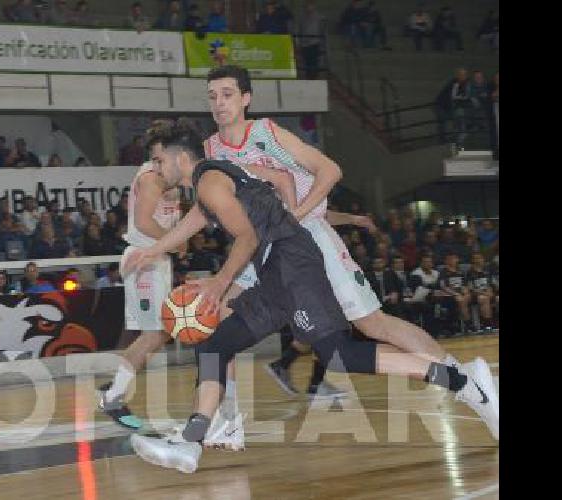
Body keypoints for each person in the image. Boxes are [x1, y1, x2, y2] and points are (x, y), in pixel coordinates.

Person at [123, 119, 498, 474]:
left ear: (180, 157)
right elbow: (197, 221)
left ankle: (462, 382)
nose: (156, 169)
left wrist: (219, 283)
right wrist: (153, 251)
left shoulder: (209, 181)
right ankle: (190, 444)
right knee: (214, 346)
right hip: (275, 273)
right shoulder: (209, 182)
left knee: (339, 355)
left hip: (292, 263)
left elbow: (248, 237)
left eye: (158, 160)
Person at [202, 66, 464, 418]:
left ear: (246, 98)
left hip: (308, 236)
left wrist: (293, 218)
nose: (219, 102)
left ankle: (461, 377)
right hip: (263, 247)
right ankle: (226, 418)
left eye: (227, 94)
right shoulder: (212, 148)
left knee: (372, 325)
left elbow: (330, 170)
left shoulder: (266, 132)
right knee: (220, 312)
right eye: (213, 95)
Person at [97, 156, 182, 430]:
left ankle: (117, 382)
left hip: (156, 259)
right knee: (155, 333)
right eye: (156, 156)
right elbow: (145, 224)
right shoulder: (150, 178)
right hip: (144, 259)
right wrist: (177, 241)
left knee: (159, 333)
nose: (160, 162)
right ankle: (113, 396)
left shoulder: (174, 177)